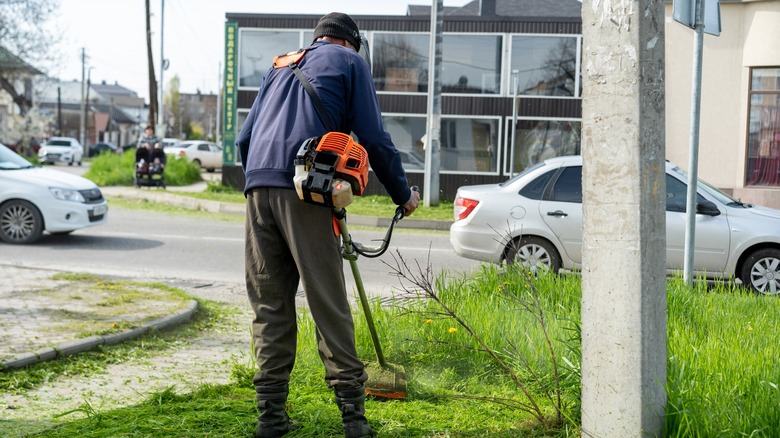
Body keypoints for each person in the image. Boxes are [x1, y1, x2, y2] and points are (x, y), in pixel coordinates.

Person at [236, 12, 420, 438]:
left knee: (269, 305)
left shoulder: (279, 65)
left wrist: (261, 184)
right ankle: (354, 422)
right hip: (304, 193)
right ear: (351, 43)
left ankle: (270, 420)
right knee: (328, 303)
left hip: (256, 190)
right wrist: (401, 193)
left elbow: (245, 139)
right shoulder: (350, 63)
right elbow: (373, 136)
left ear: (318, 38)